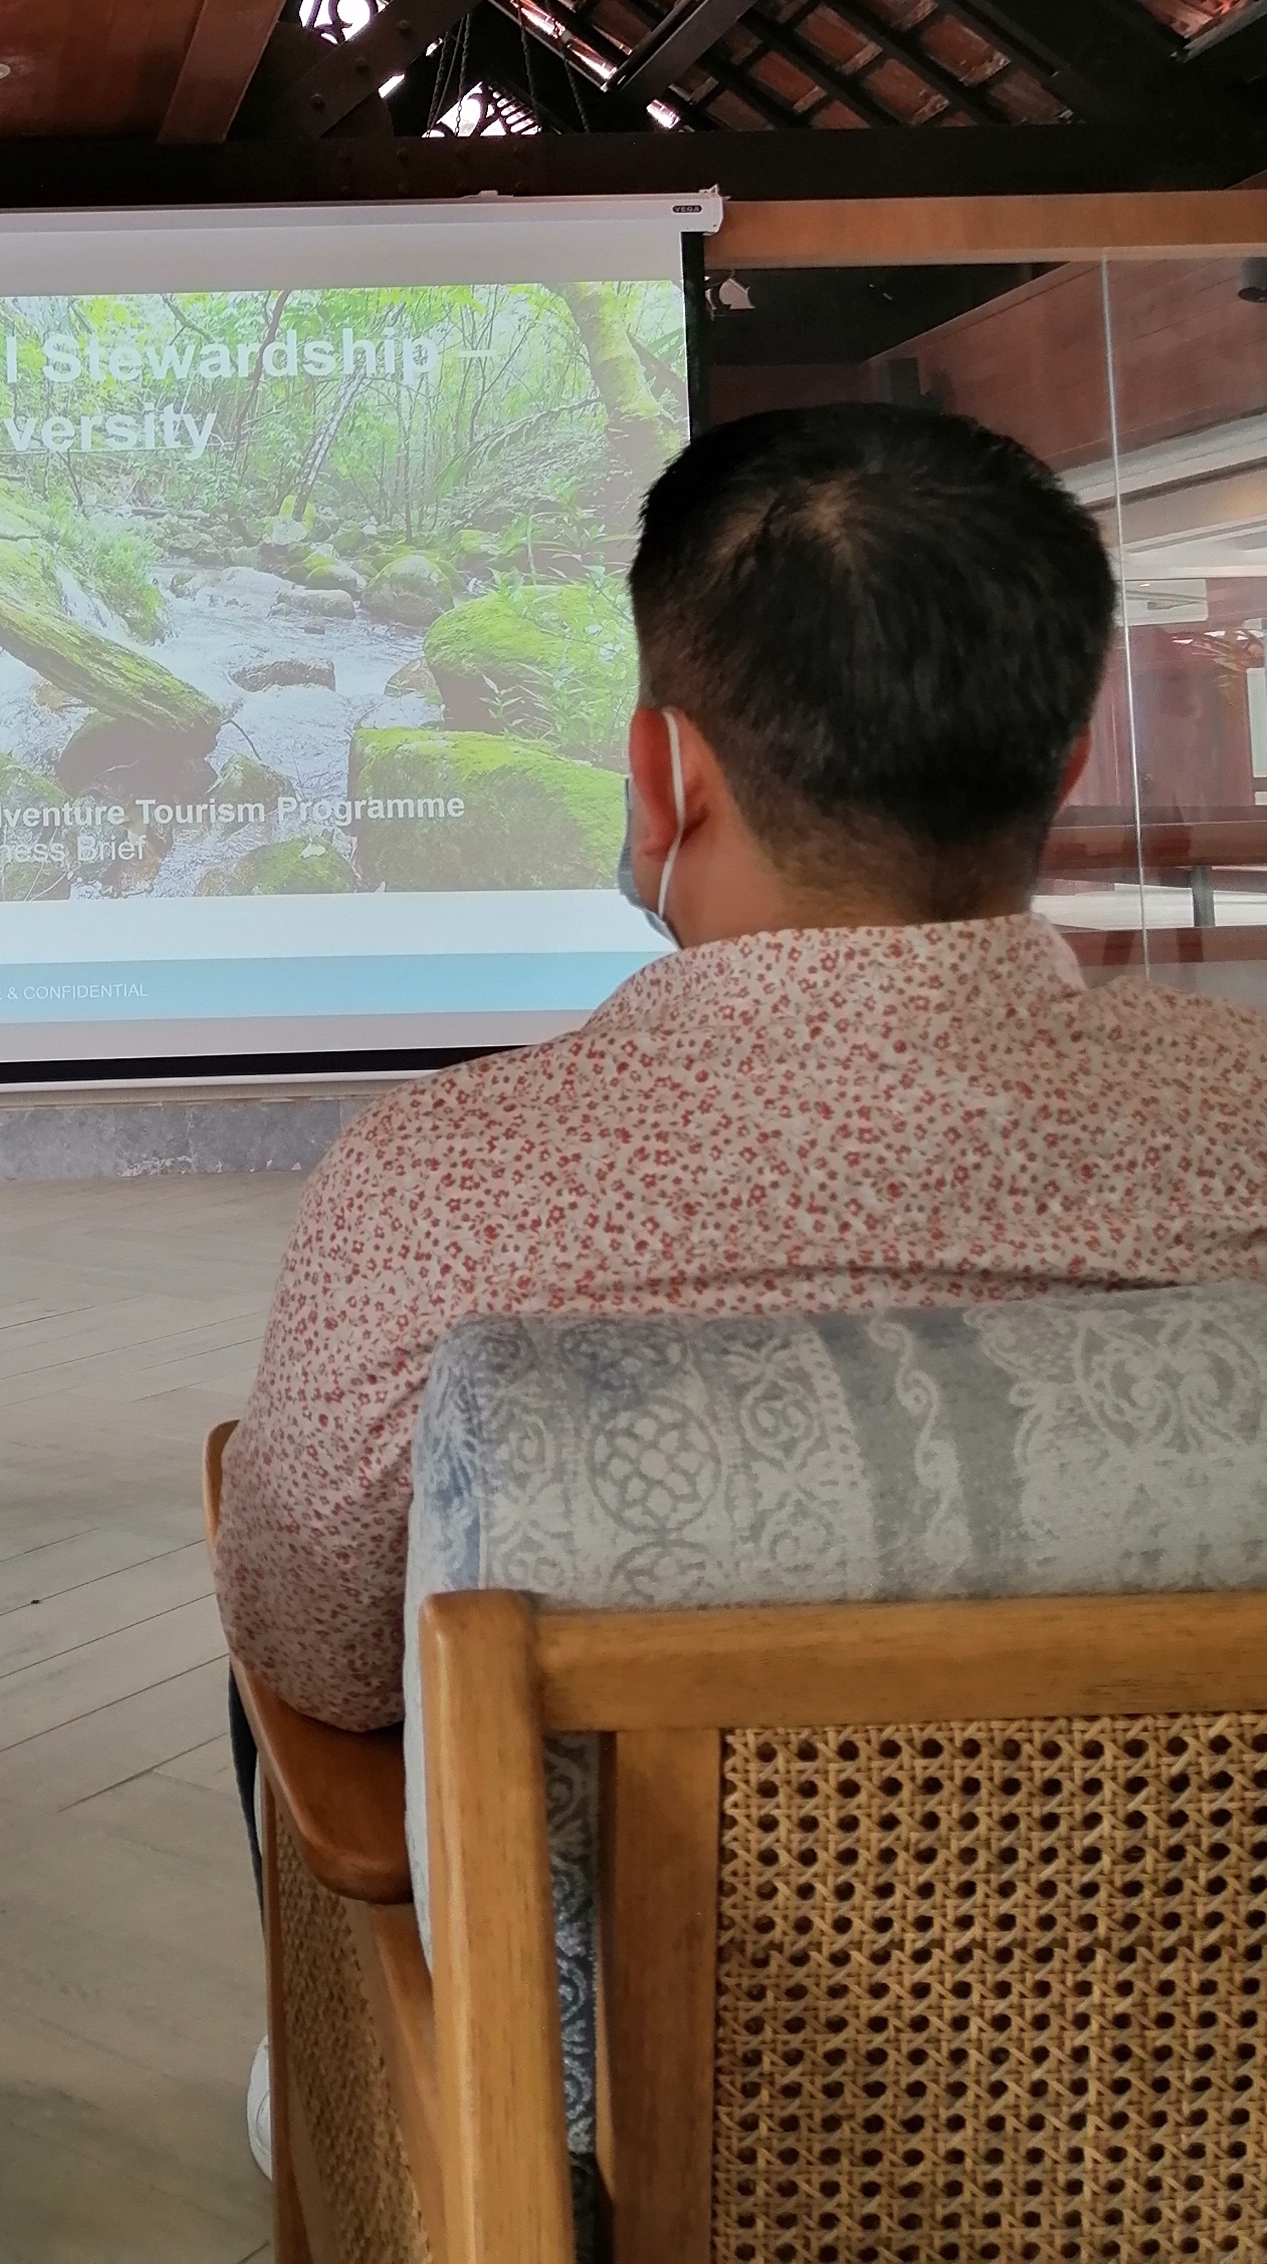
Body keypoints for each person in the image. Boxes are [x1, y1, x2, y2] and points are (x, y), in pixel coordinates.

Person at [215, 402, 1267, 1741]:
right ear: (1063, 769)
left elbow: (322, 1652)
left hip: (634, 1954)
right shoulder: (1250, 1118)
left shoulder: (437, 1189)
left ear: (665, 778)